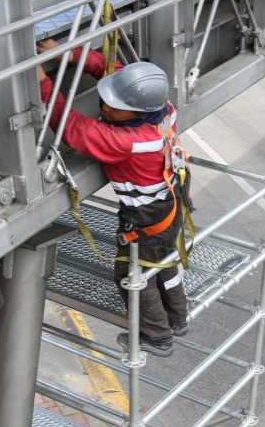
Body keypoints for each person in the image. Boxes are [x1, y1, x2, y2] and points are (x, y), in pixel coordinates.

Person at [36, 38, 191, 358]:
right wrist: (71, 53)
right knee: (162, 261)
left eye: (112, 107)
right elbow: (117, 74)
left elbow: (71, 127)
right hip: (171, 200)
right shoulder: (162, 109)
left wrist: (42, 83)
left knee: (132, 273)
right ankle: (177, 318)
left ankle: (157, 335)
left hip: (146, 215)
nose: (103, 107)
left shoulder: (128, 142)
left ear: (133, 112)